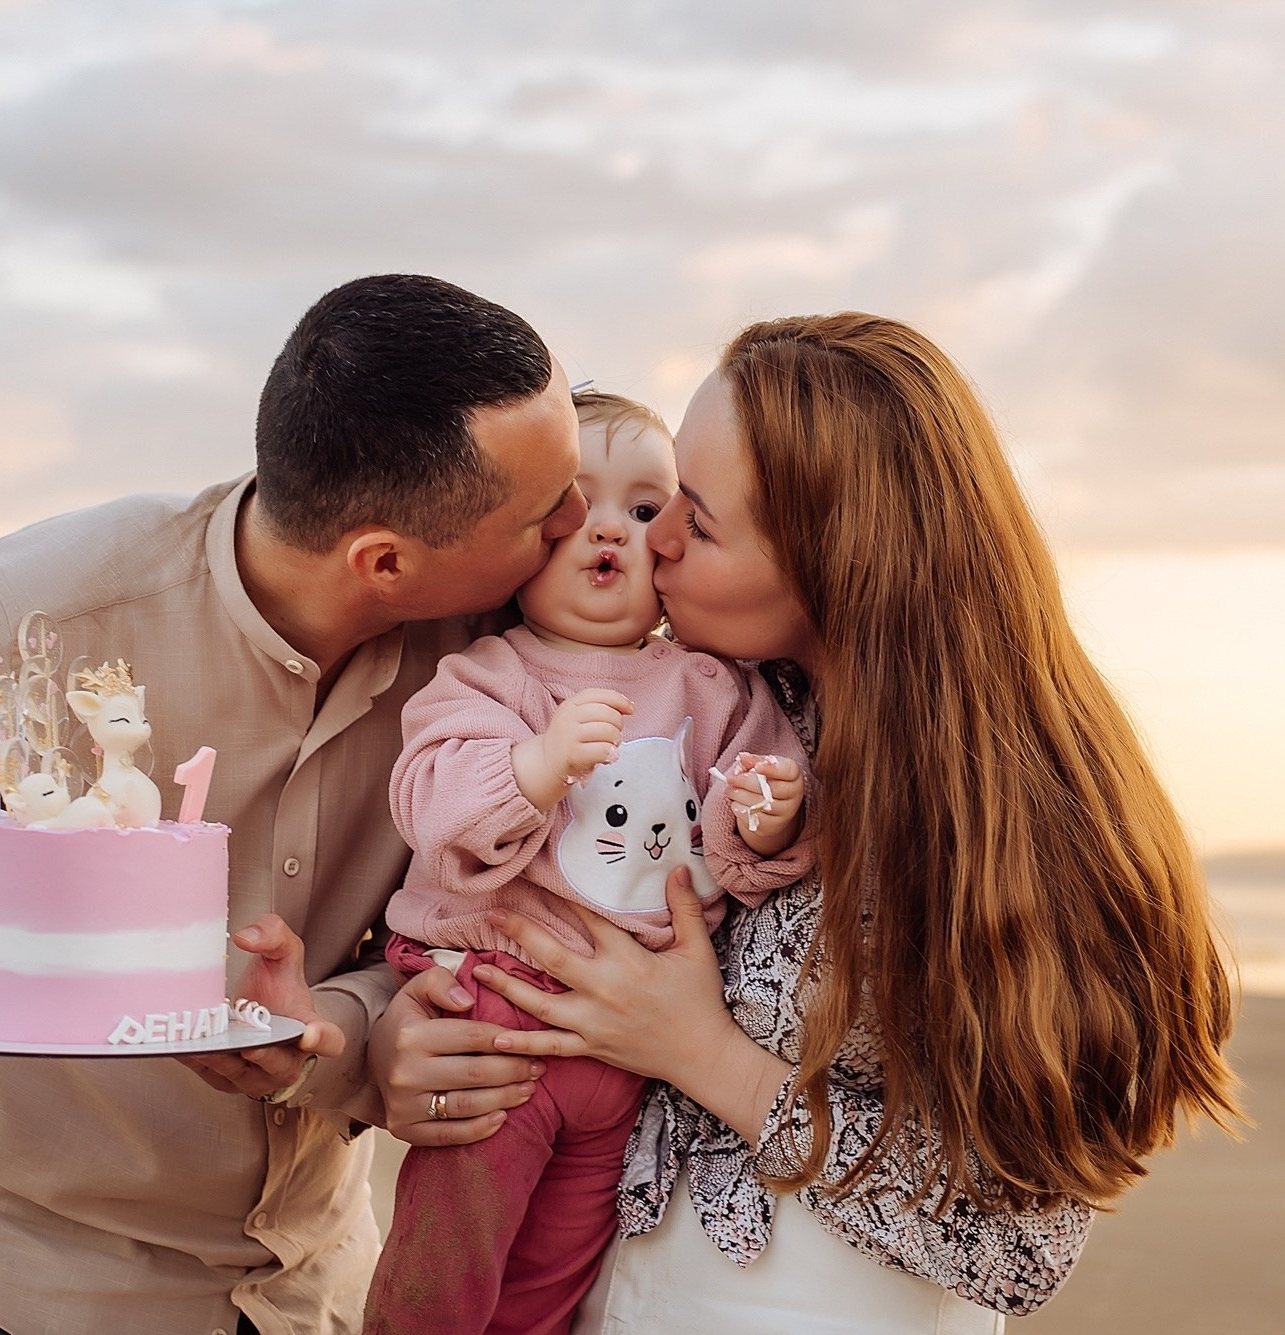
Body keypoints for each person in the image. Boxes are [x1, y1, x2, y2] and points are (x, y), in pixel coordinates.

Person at [0, 273, 591, 1335]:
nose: (580, 524)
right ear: (383, 561)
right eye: (547, 510)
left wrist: (344, 1035)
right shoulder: (29, 613)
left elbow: (449, 941)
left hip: (311, 1291)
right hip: (13, 1289)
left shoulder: (511, 669)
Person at [472, 314, 1244, 1333]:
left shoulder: (1013, 818)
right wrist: (406, 1043)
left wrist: (703, 1054)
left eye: (692, 522)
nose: (648, 540)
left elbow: (1018, 1244)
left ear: (835, 562)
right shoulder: (709, 705)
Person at [362, 391, 813, 1335]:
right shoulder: (493, 673)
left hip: (631, 1056)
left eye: (647, 510)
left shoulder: (709, 683)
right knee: (447, 1263)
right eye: (577, 507)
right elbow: (433, 806)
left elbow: (744, 818)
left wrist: (765, 818)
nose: (611, 529)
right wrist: (532, 765)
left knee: (553, 1285)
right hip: (500, 1019)